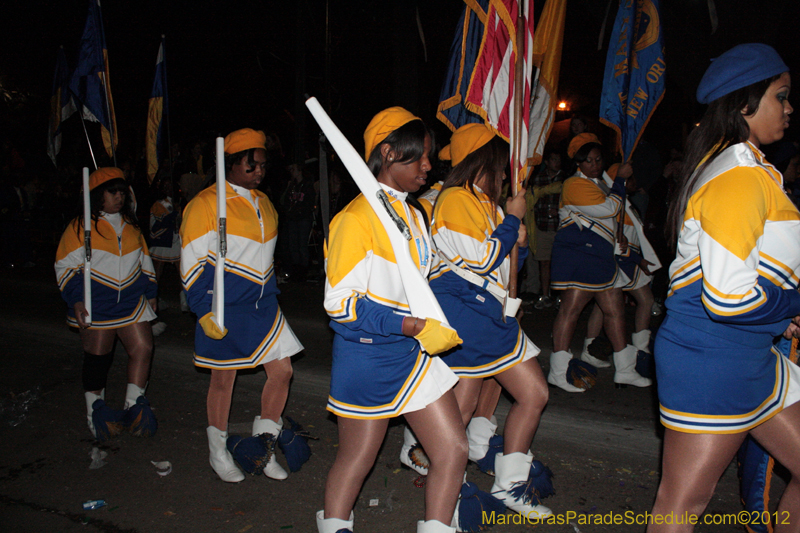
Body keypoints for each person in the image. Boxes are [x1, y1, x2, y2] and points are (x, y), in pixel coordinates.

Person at [649, 44, 800, 532]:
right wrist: (791, 302)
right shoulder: (738, 178)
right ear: (744, 104)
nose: (790, 107)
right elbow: (729, 299)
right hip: (712, 360)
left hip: (749, 356)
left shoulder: (746, 167)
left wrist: (782, 311)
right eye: (781, 96)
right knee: (683, 504)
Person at [318, 108, 466, 533]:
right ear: (387, 152)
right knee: (357, 460)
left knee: (453, 450)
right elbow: (341, 305)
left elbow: (426, 277)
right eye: (418, 155)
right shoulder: (353, 219)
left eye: (429, 155)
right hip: (367, 358)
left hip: (412, 355)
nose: (427, 165)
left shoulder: (415, 215)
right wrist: (411, 326)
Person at [430, 123, 552, 519]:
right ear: (481, 163)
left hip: (490, 312)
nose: (504, 174)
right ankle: (445, 487)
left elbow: (499, 256)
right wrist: (512, 221)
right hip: (466, 312)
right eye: (501, 166)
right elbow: (481, 258)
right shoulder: (453, 199)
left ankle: (508, 486)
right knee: (463, 409)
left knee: (530, 394)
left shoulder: (485, 202)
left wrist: (513, 231)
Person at [180, 128, 304, 483]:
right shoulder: (205, 204)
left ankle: (262, 447)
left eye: (263, 166)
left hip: (263, 303)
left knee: (282, 372)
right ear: (231, 164)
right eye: (251, 167)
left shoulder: (264, 202)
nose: (259, 173)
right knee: (224, 379)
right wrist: (202, 309)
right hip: (226, 305)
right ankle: (217, 451)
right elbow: (190, 262)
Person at [54, 167, 158, 439]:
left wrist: (151, 291)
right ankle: (95, 413)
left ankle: (133, 408)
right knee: (98, 358)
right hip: (96, 303)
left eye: (122, 192)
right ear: (97, 195)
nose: (119, 197)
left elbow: (144, 261)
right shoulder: (80, 227)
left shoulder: (131, 225)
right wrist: (76, 299)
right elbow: (65, 266)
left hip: (131, 303)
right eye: (113, 192)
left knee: (144, 348)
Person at [548, 133, 652, 392]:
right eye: (589, 161)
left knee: (615, 310)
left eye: (598, 159)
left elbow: (612, 220)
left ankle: (625, 370)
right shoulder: (573, 184)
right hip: (580, 256)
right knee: (571, 310)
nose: (595, 164)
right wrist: (620, 179)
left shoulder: (600, 183)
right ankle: (558, 371)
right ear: (578, 163)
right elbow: (609, 209)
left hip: (601, 257)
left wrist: (622, 244)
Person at [579, 162, 660, 369]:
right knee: (641, 300)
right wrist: (637, 260)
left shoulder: (624, 202)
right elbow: (616, 241)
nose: (634, 182)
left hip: (626, 260)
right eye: (629, 178)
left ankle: (592, 350)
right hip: (622, 261)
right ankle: (639, 350)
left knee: (603, 306)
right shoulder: (614, 204)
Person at [527, 149, 565, 309]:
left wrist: (559, 210)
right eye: (554, 159)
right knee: (544, 261)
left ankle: (561, 296)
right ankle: (545, 295)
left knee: (561, 262)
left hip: (560, 227)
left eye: (559, 159)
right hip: (542, 224)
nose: (557, 162)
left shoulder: (566, 179)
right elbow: (533, 200)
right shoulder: (539, 178)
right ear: (547, 162)